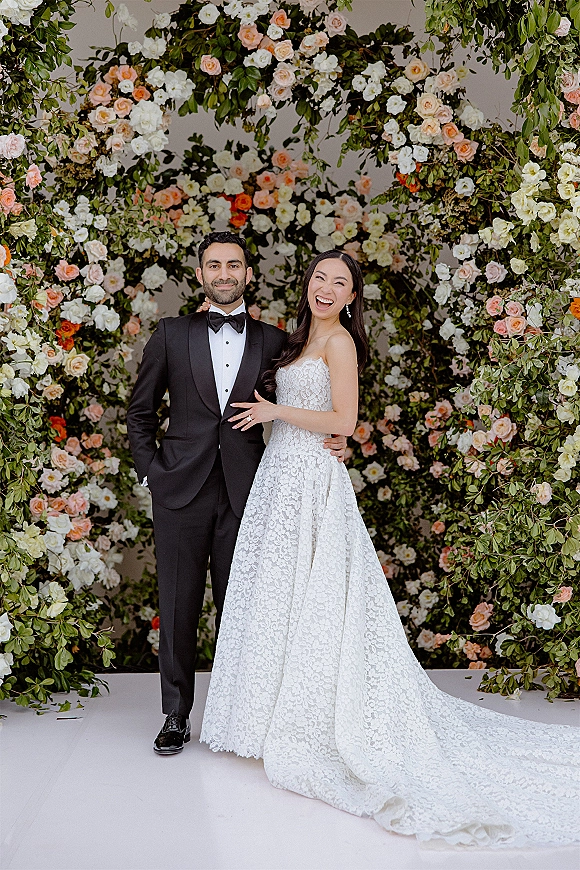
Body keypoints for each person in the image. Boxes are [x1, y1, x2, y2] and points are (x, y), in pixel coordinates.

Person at [200, 249, 579, 849]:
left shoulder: (341, 344)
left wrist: (277, 411)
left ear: (351, 297)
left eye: (339, 283)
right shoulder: (297, 340)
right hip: (281, 476)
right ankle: (267, 716)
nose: (326, 289)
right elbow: (309, 411)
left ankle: (318, 723)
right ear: (309, 286)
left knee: (317, 594)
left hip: (310, 483)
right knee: (279, 595)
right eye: (320, 278)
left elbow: (345, 420)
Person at [126, 232, 347, 755]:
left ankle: (235, 714)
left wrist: (336, 435)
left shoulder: (276, 342)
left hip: (250, 493)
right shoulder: (170, 335)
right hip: (179, 489)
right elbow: (139, 413)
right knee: (177, 605)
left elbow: (305, 398)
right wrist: (151, 473)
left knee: (243, 609)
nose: (224, 273)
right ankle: (176, 716)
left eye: (234, 265)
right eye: (213, 266)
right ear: (200, 275)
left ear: (249, 274)